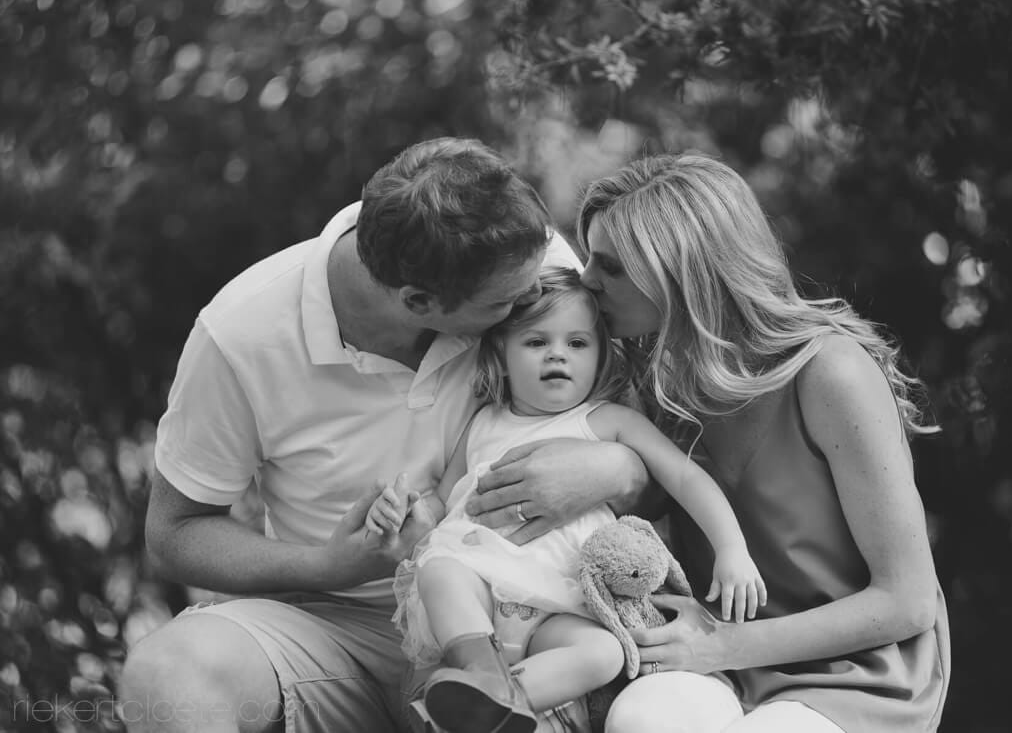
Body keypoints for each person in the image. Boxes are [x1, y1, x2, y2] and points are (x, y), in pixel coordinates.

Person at [117, 138, 648, 733]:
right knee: (165, 676)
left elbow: (633, 438)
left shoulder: (526, 259)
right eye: (507, 303)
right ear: (419, 301)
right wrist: (326, 566)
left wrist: (618, 468)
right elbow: (175, 533)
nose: (534, 299)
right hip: (334, 629)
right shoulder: (241, 335)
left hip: (524, 618)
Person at [569, 153, 951, 733]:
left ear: (683, 273)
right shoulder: (655, 381)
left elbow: (908, 601)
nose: (587, 280)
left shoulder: (829, 372)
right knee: (641, 719)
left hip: (856, 672)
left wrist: (723, 645)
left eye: (611, 266)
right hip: (719, 662)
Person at [366, 268, 767, 733]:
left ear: (600, 358)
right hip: (480, 595)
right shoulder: (483, 422)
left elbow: (685, 476)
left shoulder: (608, 421)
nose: (557, 353)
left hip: (559, 604)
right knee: (440, 570)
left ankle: (500, 703)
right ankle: (481, 672)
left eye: (577, 343)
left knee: (606, 652)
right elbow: (442, 500)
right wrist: (407, 513)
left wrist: (732, 548)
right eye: (536, 342)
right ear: (501, 355)